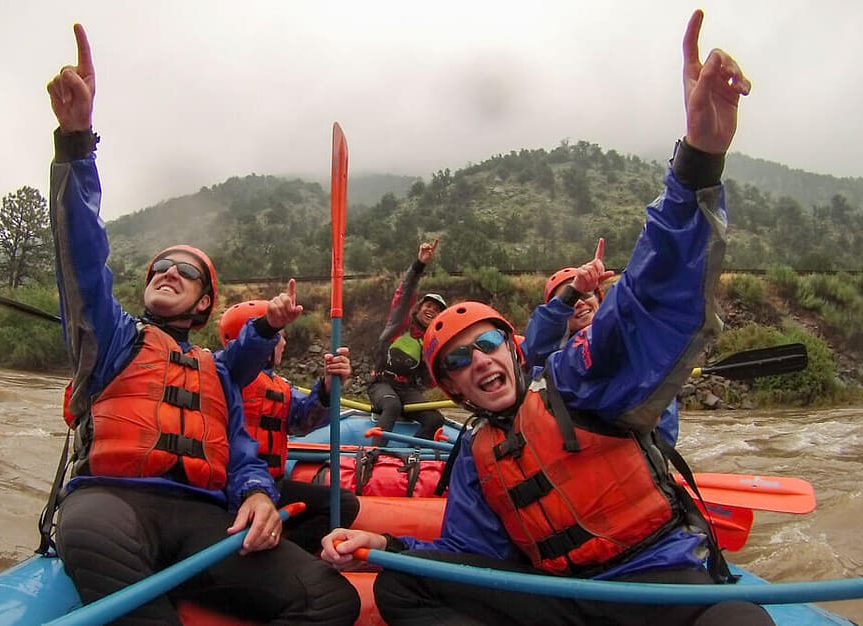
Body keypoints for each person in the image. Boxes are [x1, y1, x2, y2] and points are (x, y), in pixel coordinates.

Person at [322, 10, 772, 625]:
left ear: (511, 351)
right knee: (406, 585)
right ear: (449, 386)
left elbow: (649, 295)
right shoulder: (477, 456)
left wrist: (698, 160)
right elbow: (464, 556)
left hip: (653, 578)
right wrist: (392, 548)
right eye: (457, 359)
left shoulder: (578, 381)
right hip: (566, 596)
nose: (477, 360)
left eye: (485, 345)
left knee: (740, 623)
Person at [46, 24, 358, 625]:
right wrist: (76, 143)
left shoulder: (218, 372)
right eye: (159, 266)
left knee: (330, 598)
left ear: (201, 305)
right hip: (112, 505)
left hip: (203, 516)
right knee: (95, 541)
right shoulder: (110, 339)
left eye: (184, 271)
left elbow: (240, 454)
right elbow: (81, 258)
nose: (167, 271)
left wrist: (260, 494)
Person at [218, 300, 361, 553]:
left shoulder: (278, 385)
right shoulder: (221, 374)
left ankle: (290, 553)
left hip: (274, 483)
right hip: (231, 488)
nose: (283, 343)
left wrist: (328, 388)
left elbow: (302, 421)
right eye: (280, 336)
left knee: (343, 503)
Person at [524, 240, 680, 446]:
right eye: (570, 299)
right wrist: (573, 291)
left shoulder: (634, 347)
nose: (579, 302)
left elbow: (663, 421)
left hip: (633, 456)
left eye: (585, 294)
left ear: (600, 301)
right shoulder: (549, 358)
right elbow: (536, 346)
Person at [367, 239, 448, 446]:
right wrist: (419, 264)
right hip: (382, 384)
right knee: (392, 407)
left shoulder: (431, 343)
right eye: (428, 306)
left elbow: (432, 380)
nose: (432, 310)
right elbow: (404, 294)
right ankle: (372, 455)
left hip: (408, 391)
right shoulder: (399, 324)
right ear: (419, 309)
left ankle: (409, 458)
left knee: (436, 419)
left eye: (437, 310)